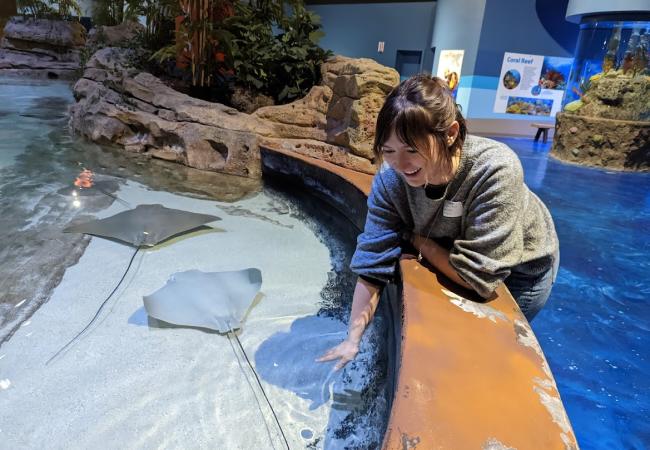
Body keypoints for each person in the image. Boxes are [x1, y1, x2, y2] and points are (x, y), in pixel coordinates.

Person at [318, 75, 559, 370]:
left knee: (490, 350)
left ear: (449, 133)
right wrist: (351, 339)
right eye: (389, 151)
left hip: (522, 267)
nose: (400, 165)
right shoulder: (389, 180)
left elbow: (479, 278)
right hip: (458, 247)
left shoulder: (495, 169)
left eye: (411, 149)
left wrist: (420, 243)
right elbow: (372, 264)